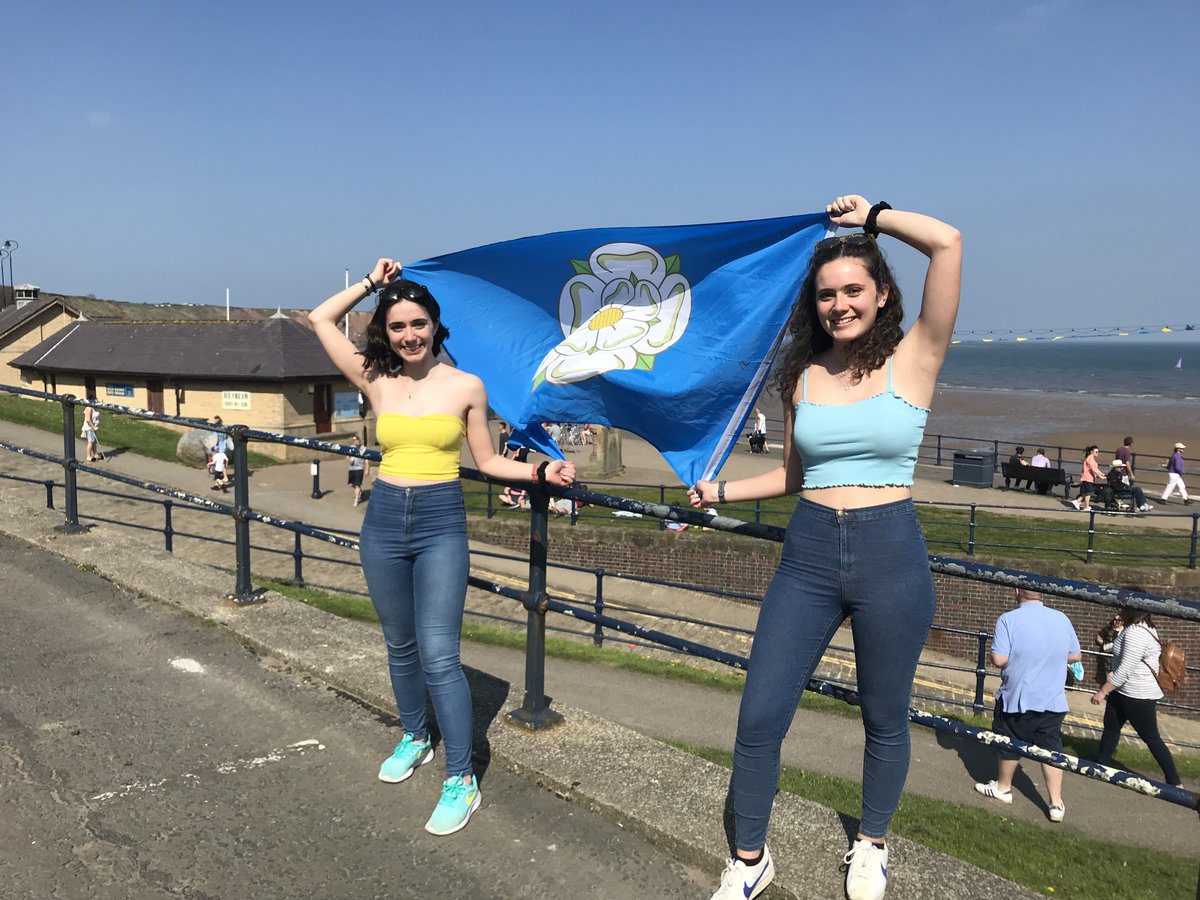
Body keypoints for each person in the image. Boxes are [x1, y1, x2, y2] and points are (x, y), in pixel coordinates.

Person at [690, 195, 961, 900]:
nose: (839, 304)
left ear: (881, 295)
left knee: (883, 716)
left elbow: (949, 243)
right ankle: (750, 859)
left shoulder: (917, 358)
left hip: (891, 555)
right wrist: (719, 495)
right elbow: (793, 476)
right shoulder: (802, 377)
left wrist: (872, 216)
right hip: (808, 553)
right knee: (759, 714)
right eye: (826, 294)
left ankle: (871, 843)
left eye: (852, 290)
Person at [309, 259, 575, 837]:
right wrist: (371, 286)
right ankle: (414, 734)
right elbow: (320, 318)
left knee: (438, 654)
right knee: (399, 646)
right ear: (386, 330)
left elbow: (488, 462)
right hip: (382, 521)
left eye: (419, 324)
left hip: (438, 523)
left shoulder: (465, 386)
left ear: (436, 325)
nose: (409, 335)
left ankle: (462, 778)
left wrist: (542, 471)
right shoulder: (375, 377)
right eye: (398, 325)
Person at [973, 589, 1082, 823]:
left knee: (1009, 742)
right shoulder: (1062, 618)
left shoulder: (1008, 619)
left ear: (1015, 592)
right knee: (1050, 748)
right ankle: (1055, 803)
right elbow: (1075, 656)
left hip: (1018, 696)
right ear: (1042, 593)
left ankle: (1003, 788)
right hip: (1052, 699)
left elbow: (999, 659)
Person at [1091, 606, 1181, 786]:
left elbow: (1124, 670)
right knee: (1111, 726)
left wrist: (1103, 692)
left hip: (1137, 695)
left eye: (1122, 607)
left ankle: (1175, 781)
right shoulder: (1140, 628)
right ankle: (1101, 764)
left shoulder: (1135, 633)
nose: (1118, 612)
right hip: (1124, 690)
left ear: (1133, 609)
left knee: (1150, 737)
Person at [1093, 612, 1124, 685]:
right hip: (1108, 657)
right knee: (1108, 675)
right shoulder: (1107, 629)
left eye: (1119, 620)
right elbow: (1098, 637)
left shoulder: (1125, 631)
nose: (1117, 622)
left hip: (1119, 657)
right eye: (1115, 620)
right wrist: (1104, 645)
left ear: (1122, 622)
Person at [1071, 445, 1102, 511]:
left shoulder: (1090, 458)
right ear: (1091, 452)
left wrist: (1101, 474)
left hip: (1086, 477)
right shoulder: (1090, 458)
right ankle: (1086, 507)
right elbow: (1094, 469)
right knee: (1089, 492)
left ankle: (1077, 501)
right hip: (1087, 478)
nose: (1098, 453)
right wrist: (1101, 476)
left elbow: (1095, 469)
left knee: (1086, 492)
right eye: (1096, 452)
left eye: (1098, 452)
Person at [347, 436, 370, 507]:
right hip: (352, 469)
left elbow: (366, 460)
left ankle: (356, 500)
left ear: (360, 441)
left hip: (360, 469)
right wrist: (349, 460)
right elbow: (347, 456)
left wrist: (367, 470)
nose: (356, 442)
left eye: (358, 441)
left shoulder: (364, 449)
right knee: (353, 484)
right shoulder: (351, 447)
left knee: (357, 484)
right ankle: (360, 491)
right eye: (355, 441)